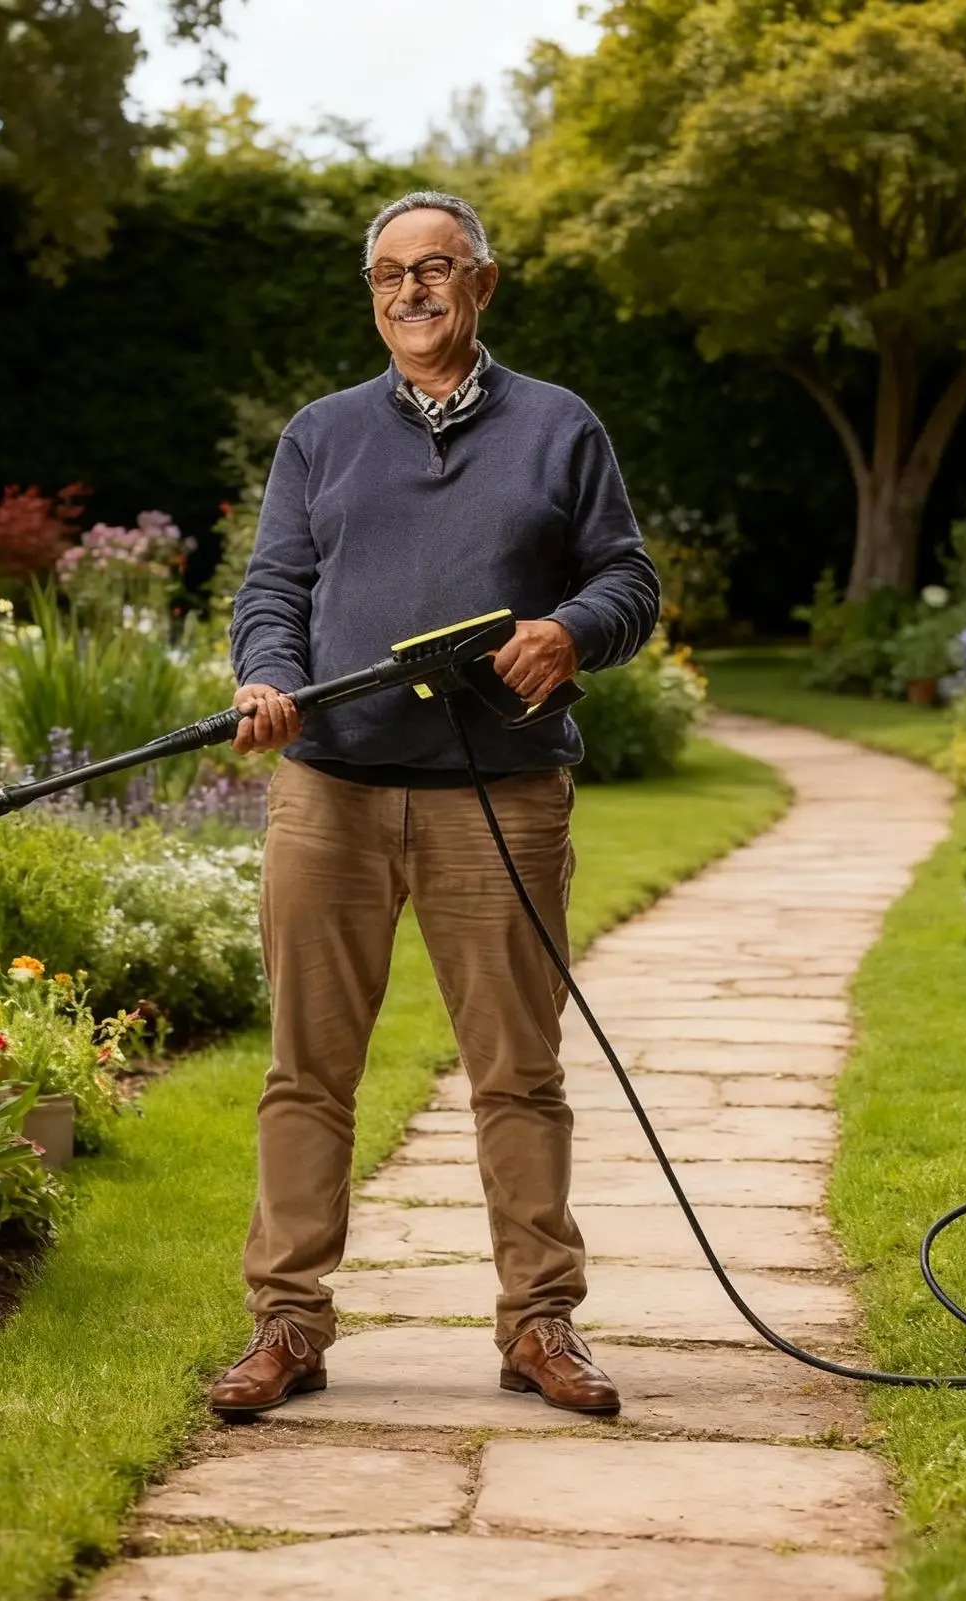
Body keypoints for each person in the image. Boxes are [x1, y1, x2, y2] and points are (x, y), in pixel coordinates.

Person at [213, 189, 661, 1420]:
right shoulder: (321, 433)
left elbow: (627, 576)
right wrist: (265, 675)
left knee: (517, 1070)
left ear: (483, 283)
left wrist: (570, 631)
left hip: (498, 794)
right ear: (371, 293)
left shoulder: (559, 427)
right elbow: (275, 587)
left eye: (436, 269)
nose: (411, 291)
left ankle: (538, 1324)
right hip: (333, 792)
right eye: (389, 275)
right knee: (307, 1070)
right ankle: (288, 1325)